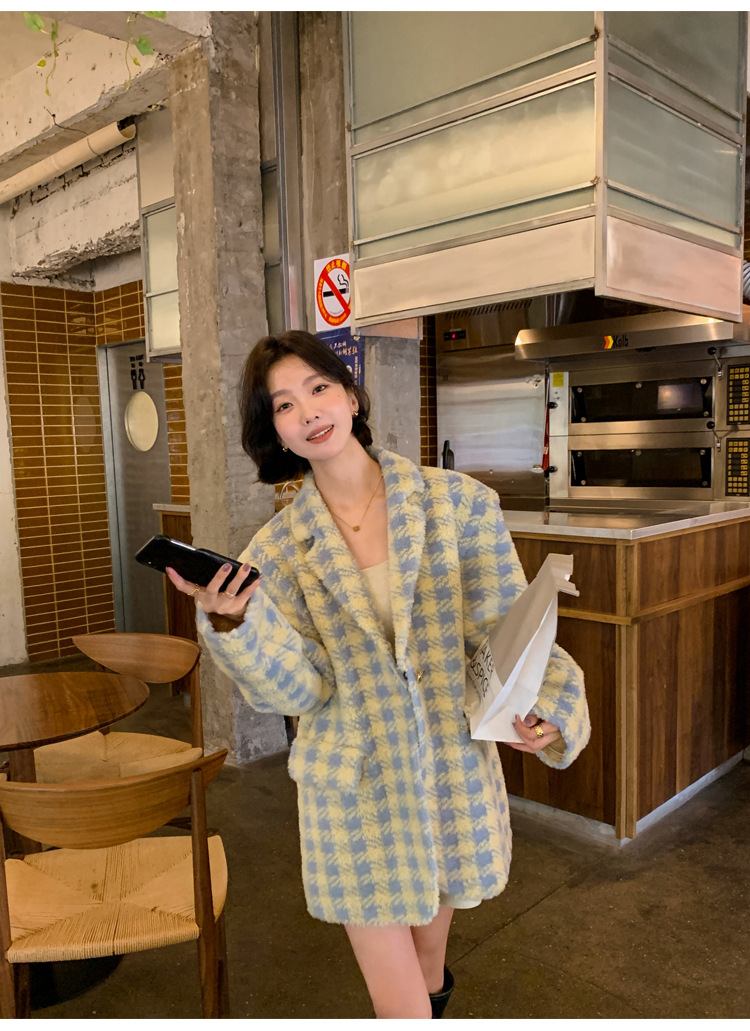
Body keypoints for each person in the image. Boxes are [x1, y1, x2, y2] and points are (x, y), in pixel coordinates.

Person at [167, 330, 590, 1019]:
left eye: (318, 388)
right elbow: (300, 689)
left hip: (449, 771)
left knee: (427, 967)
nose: (307, 411)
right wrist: (237, 624)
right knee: (400, 1006)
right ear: (274, 430)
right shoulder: (278, 550)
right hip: (354, 789)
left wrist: (547, 706)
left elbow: (507, 626)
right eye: (283, 404)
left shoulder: (459, 504)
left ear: (352, 396)